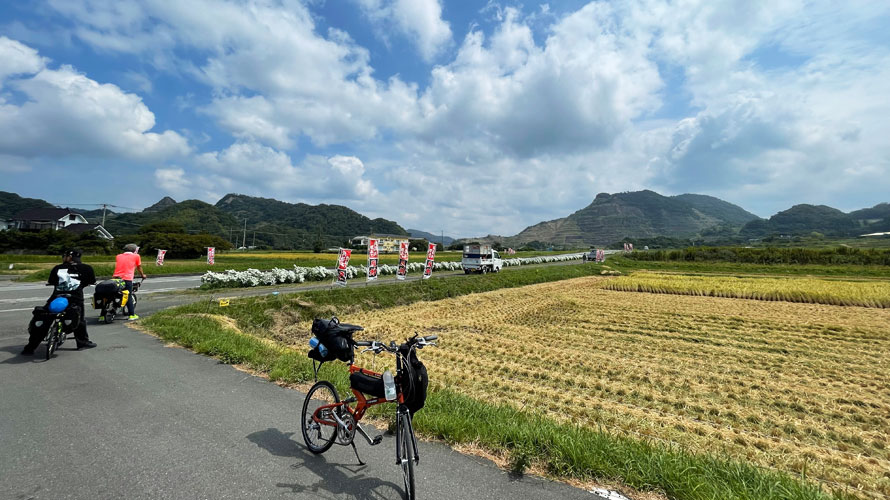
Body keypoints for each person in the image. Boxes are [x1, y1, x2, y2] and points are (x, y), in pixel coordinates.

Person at [22, 249, 97, 354]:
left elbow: (51, 281)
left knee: (46, 317)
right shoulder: (86, 268)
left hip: (56, 297)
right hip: (75, 298)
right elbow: (91, 281)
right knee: (79, 320)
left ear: (69, 257)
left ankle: (30, 348)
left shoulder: (57, 268)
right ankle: (82, 343)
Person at [111, 243, 146, 321]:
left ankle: (103, 315)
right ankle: (131, 315)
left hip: (115, 278)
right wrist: (142, 275)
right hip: (127, 278)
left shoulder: (118, 256)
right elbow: (139, 267)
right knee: (128, 295)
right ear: (134, 250)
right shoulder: (136, 256)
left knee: (112, 294)